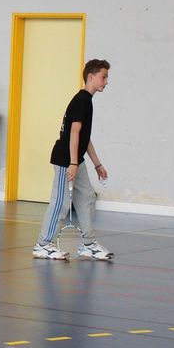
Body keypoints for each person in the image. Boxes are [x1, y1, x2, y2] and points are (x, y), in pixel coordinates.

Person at [33, 59, 113, 260]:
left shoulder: (87, 101)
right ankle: (43, 245)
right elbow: (74, 131)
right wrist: (73, 163)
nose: (106, 81)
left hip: (76, 158)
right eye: (104, 77)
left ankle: (88, 244)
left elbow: (84, 138)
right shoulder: (82, 100)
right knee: (60, 202)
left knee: (86, 197)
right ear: (91, 77)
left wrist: (97, 164)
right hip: (65, 159)